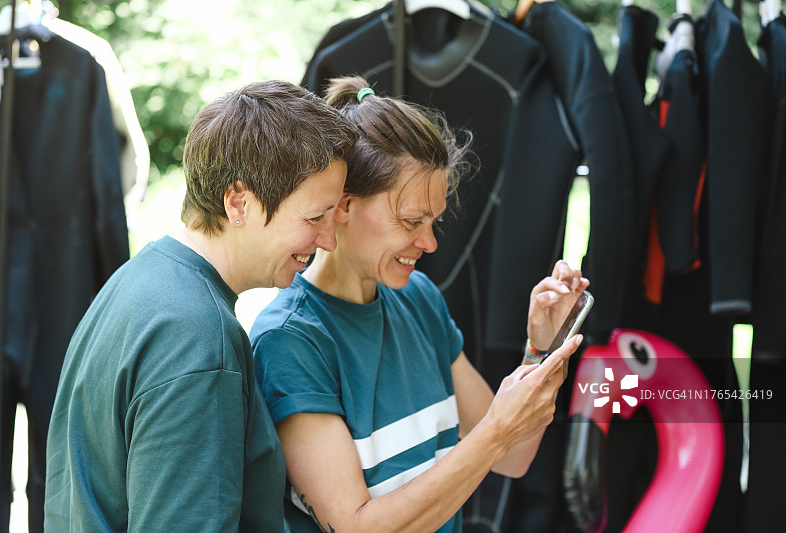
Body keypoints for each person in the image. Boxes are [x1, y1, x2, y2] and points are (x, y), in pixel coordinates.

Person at [248, 76, 590, 533]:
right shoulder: (290, 340)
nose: (428, 242)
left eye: (434, 221)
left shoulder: (419, 298)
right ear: (344, 206)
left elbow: (512, 455)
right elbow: (356, 527)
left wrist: (541, 351)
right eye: (411, 221)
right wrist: (494, 432)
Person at [44, 80, 359, 532]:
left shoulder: (137, 280)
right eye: (314, 217)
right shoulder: (197, 338)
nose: (328, 239)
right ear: (238, 202)